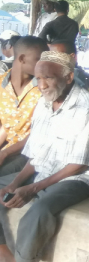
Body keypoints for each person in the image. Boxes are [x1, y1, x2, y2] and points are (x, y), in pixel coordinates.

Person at [0, 51, 89, 262]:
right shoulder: (43, 102)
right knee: (2, 192)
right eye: (38, 78)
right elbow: (37, 154)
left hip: (81, 176)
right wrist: (16, 183)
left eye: (48, 79)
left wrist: (33, 188)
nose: (41, 85)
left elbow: (79, 164)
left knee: (40, 210)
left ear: (68, 77)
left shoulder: (88, 106)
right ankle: (6, 259)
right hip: (46, 169)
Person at [0, 37, 48, 178]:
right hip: (8, 149)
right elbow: (5, 127)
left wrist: (4, 153)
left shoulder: (44, 88)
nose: (43, 65)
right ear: (22, 58)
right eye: (39, 60)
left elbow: (40, 135)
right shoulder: (1, 84)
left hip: (31, 152)